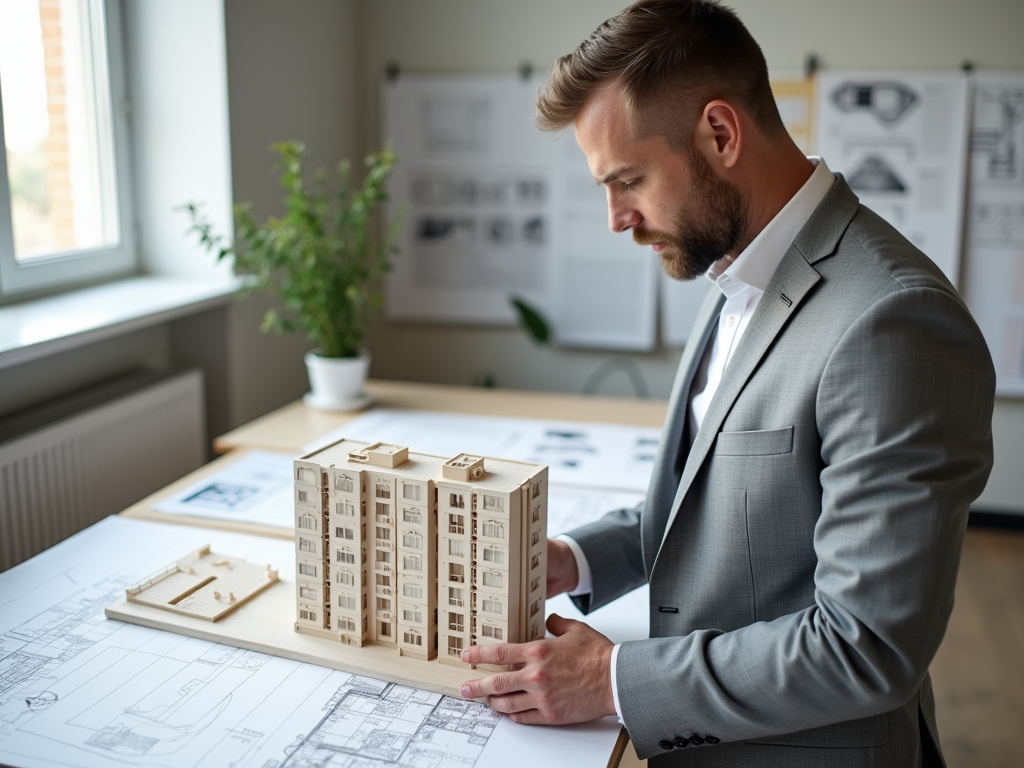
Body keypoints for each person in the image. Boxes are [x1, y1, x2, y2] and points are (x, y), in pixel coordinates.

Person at [458, 1, 996, 765]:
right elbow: (712, 512)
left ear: (719, 133)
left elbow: (867, 644)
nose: (615, 218)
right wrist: (571, 561)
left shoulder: (894, 321)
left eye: (629, 179)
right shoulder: (737, 269)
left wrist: (610, 681)